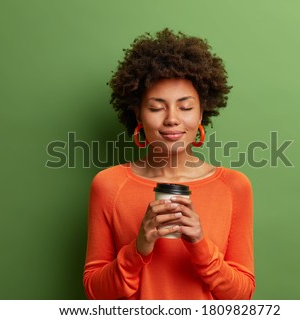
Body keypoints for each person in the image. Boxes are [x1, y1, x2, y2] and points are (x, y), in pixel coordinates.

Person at [83, 28, 255, 300]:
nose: (172, 119)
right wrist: (138, 248)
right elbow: (96, 294)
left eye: (185, 107)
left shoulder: (234, 186)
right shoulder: (108, 184)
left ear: (202, 112)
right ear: (138, 112)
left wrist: (199, 243)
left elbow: (241, 296)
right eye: (156, 107)